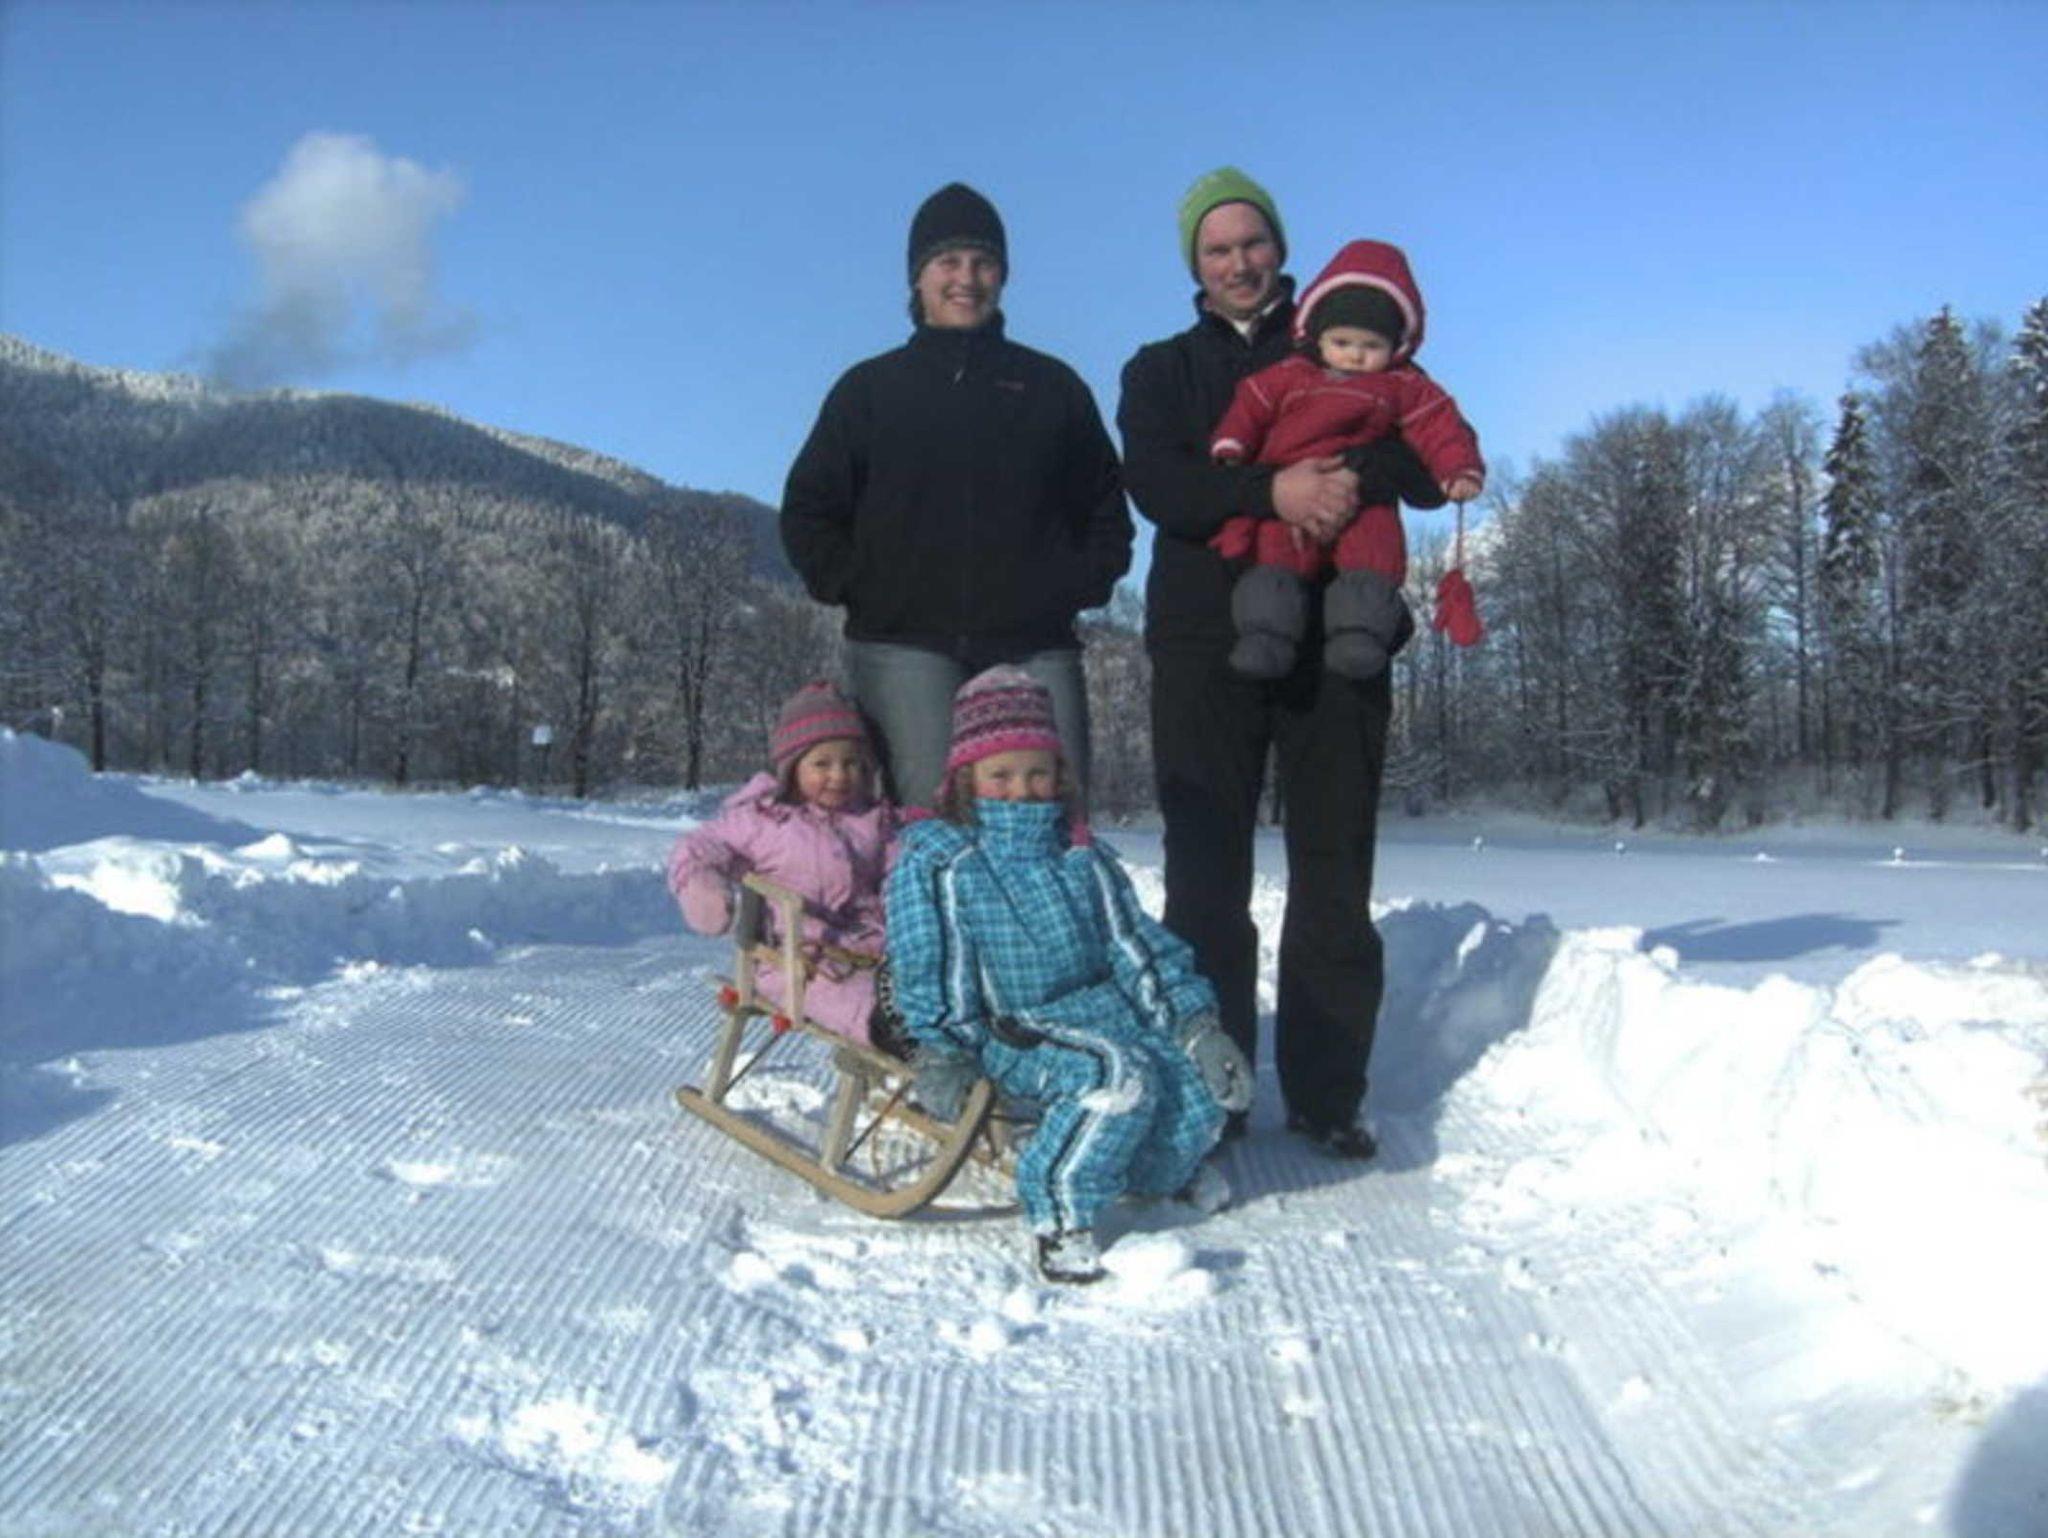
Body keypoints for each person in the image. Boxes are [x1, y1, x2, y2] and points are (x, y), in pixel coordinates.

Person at [1116, 167, 1447, 1159]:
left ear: (1280, 248)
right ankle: (1210, 1092)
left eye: (1252, 243)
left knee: (1334, 867)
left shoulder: (1352, 337)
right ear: (1194, 263)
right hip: (1203, 639)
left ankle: (1327, 1090)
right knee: (1205, 876)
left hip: (1336, 639)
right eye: (1217, 249)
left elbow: (1427, 456)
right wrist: (1273, 491)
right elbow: (1161, 485)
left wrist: (1346, 476)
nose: (1238, 263)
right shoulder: (1160, 369)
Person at [884, 667, 1252, 1285]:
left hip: (1100, 1014)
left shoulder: (1082, 855)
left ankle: (1149, 1174)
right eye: (1001, 775)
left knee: (1192, 1083)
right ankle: (1059, 1212)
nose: (1021, 790)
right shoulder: (944, 861)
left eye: (1037, 773)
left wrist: (1195, 1026)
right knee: (1113, 1077)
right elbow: (932, 961)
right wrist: (944, 1049)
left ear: (1059, 776)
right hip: (1010, 1030)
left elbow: (1136, 947)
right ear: (967, 778)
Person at [780, 182, 1131, 810]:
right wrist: (863, 586)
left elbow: (1106, 506)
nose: (965, 278)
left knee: (1056, 823)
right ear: (917, 277)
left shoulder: (1053, 387)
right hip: (903, 645)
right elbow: (810, 508)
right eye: (947, 262)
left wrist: (1072, 585)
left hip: (1035, 642)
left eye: (982, 262)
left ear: (1003, 275)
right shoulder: (869, 390)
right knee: (931, 825)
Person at [1208, 239, 1485, 680]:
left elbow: (1439, 425)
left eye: (1370, 345)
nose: (1355, 355)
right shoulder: (1290, 375)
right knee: (1276, 555)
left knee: (1374, 552)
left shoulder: (1402, 385)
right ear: (1317, 337)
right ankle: (1265, 635)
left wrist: (1457, 469)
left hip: (1363, 498)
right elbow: (1251, 406)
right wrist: (1231, 445)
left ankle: (1360, 635)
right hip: (1289, 487)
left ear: (1395, 346)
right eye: (1342, 342)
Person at [667, 681, 897, 1047]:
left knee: (926, 988)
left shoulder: (873, 820)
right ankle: (888, 1029)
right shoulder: (766, 820)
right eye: (822, 764)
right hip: (794, 959)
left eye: (851, 763)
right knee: (839, 997)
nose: (839, 775)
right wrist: (701, 885)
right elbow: (700, 845)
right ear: (793, 768)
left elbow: (898, 872)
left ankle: (939, 1035)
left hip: (873, 952)